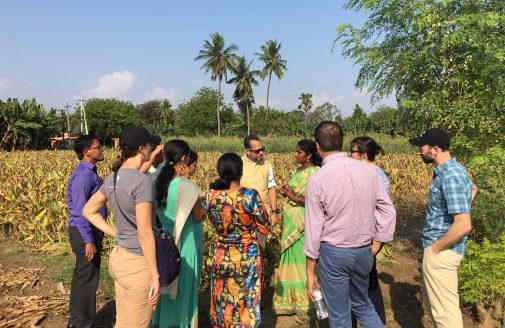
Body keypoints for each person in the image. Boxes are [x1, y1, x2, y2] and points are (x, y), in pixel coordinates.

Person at [304, 121, 396, 327]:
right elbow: (388, 210)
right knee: (363, 306)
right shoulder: (369, 171)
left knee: (339, 315)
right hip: (364, 251)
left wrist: (310, 271)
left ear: (317, 146)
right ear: (341, 142)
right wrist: (378, 242)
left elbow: (313, 228)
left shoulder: (317, 179)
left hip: (334, 254)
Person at [82, 126, 161, 328]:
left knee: (124, 322)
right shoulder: (142, 181)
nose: (152, 148)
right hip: (137, 263)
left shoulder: (114, 177)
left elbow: (88, 210)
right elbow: (144, 233)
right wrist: (155, 275)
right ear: (142, 148)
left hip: (119, 258)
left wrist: (115, 233)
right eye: (150, 145)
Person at [409, 128, 477, 328]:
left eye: (422, 147)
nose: (419, 151)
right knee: (438, 311)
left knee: (446, 318)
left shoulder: (449, 176)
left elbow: (464, 225)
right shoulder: (454, 170)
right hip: (440, 251)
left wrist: (436, 248)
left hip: (442, 253)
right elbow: (473, 188)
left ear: (435, 149)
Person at [206, 153, 271, 327]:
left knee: (222, 297)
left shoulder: (211, 196)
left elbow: (212, 221)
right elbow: (265, 226)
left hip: (221, 255)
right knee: (246, 299)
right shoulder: (249, 196)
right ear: (240, 171)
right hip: (246, 256)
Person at [151, 140, 206, 328]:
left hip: (162, 246)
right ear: (184, 158)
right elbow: (198, 216)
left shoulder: (156, 181)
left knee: (165, 285)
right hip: (185, 245)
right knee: (184, 288)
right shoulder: (187, 186)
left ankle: (164, 322)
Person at [272, 139, 320, 321]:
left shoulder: (315, 173)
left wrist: (292, 196)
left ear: (309, 156)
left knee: (303, 262)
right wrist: (287, 193)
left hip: (303, 224)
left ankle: (307, 307)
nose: (295, 155)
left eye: (299, 152)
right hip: (291, 223)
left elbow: (313, 201)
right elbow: (294, 193)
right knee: (290, 258)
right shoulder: (297, 170)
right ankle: (290, 303)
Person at [66, 135, 106, 328]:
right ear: (87, 152)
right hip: (85, 232)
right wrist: (88, 240)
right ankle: (81, 324)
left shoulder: (89, 172)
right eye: (98, 147)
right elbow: (81, 212)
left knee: (84, 277)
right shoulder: (84, 176)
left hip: (87, 231)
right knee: (87, 279)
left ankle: (78, 322)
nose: (101, 149)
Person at [349, 136, 390, 326]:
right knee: (366, 282)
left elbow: (384, 212)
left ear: (364, 155)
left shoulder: (375, 175)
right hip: (363, 237)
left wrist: (376, 243)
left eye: (353, 152)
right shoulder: (366, 173)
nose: (349, 155)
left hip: (369, 238)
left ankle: (374, 320)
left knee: (368, 283)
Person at [240, 134, 278, 253]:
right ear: (247, 151)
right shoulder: (238, 164)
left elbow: (271, 188)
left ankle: (259, 271)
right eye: (257, 151)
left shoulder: (267, 165)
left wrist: (274, 212)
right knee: (244, 250)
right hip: (243, 215)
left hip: (263, 214)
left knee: (260, 249)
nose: (261, 153)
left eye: (262, 149)